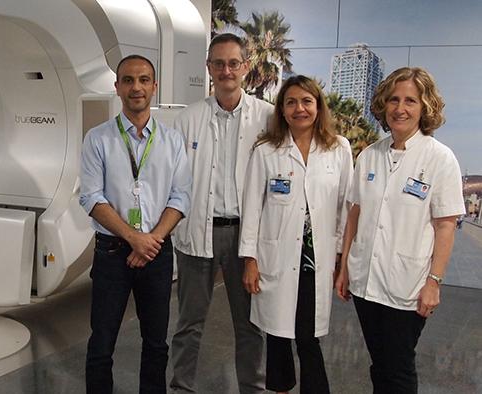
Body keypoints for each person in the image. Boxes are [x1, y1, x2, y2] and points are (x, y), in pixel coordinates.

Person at [335, 67, 465, 394]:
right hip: (366, 281)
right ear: (383, 104)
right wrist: (345, 267)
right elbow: (355, 213)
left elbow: (446, 225)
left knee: (398, 367)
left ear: (425, 108)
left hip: (407, 286)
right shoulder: (369, 156)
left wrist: (433, 282)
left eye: (410, 100)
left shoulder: (440, 159)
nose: (400, 108)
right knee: (380, 363)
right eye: (393, 99)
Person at [79, 54, 192, 394]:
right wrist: (133, 238)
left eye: (144, 80)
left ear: (154, 87)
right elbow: (91, 198)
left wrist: (151, 241)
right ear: (117, 87)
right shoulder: (97, 139)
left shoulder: (172, 141)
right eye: (128, 80)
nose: (136, 87)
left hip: (157, 253)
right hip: (112, 253)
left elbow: (180, 197)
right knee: (101, 344)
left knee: (156, 344)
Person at [170, 33, 273, 394]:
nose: (226, 70)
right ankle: (181, 387)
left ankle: (253, 388)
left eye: (233, 63)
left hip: (247, 237)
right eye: (219, 63)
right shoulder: (187, 120)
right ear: (209, 68)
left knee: (249, 324)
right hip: (198, 233)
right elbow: (175, 181)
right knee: (189, 323)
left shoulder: (268, 118)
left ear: (245, 67)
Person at [240, 75, 353, 393]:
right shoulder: (266, 150)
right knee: (277, 334)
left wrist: (343, 258)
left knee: (308, 336)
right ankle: (280, 389)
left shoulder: (338, 148)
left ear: (318, 106)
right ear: (282, 109)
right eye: (291, 102)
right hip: (275, 258)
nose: (299, 108)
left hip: (317, 262)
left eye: (306, 101)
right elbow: (252, 208)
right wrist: (250, 259)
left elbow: (346, 206)